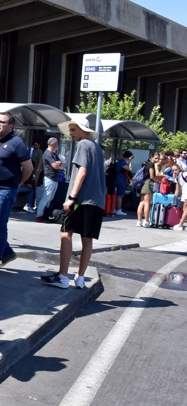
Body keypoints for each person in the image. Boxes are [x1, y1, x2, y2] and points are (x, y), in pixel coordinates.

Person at [41, 120, 105, 289]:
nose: (70, 133)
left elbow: (82, 171)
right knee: (87, 239)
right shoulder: (96, 147)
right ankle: (80, 278)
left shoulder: (83, 145)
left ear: (83, 130)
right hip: (96, 200)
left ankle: (63, 277)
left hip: (81, 199)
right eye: (70, 130)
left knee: (65, 233)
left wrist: (71, 197)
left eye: (73, 130)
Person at [0, 112, 33, 276]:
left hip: (4, 191)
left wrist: (17, 183)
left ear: (11, 126)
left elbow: (28, 168)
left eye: (2, 122)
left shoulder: (17, 143)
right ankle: (8, 252)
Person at [35, 138, 64, 222]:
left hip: (54, 179)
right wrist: (58, 164)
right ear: (52, 144)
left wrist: (59, 164)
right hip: (49, 178)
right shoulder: (47, 154)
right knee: (46, 198)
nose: (58, 145)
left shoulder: (54, 154)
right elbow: (55, 166)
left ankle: (45, 214)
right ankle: (39, 215)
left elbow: (63, 165)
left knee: (50, 198)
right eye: (56, 143)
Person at [136, 152, 161, 228]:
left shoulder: (147, 164)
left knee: (142, 202)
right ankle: (146, 221)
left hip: (144, 184)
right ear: (151, 158)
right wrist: (158, 181)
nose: (157, 160)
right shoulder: (151, 165)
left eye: (158, 158)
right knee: (147, 203)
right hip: (148, 183)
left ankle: (139, 221)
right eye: (155, 158)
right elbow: (152, 176)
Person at [115, 150, 134, 215]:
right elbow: (129, 169)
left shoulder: (120, 162)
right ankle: (118, 209)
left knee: (118, 195)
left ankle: (116, 208)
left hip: (120, 179)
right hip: (121, 179)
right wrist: (130, 161)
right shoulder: (122, 163)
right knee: (120, 195)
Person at [170, 164, 187, 231]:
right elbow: (177, 190)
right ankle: (181, 224)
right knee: (184, 209)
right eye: (173, 170)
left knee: (186, 209)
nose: (174, 171)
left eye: (176, 170)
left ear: (179, 169)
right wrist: (174, 199)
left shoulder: (184, 174)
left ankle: (180, 225)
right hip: (184, 193)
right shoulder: (176, 178)